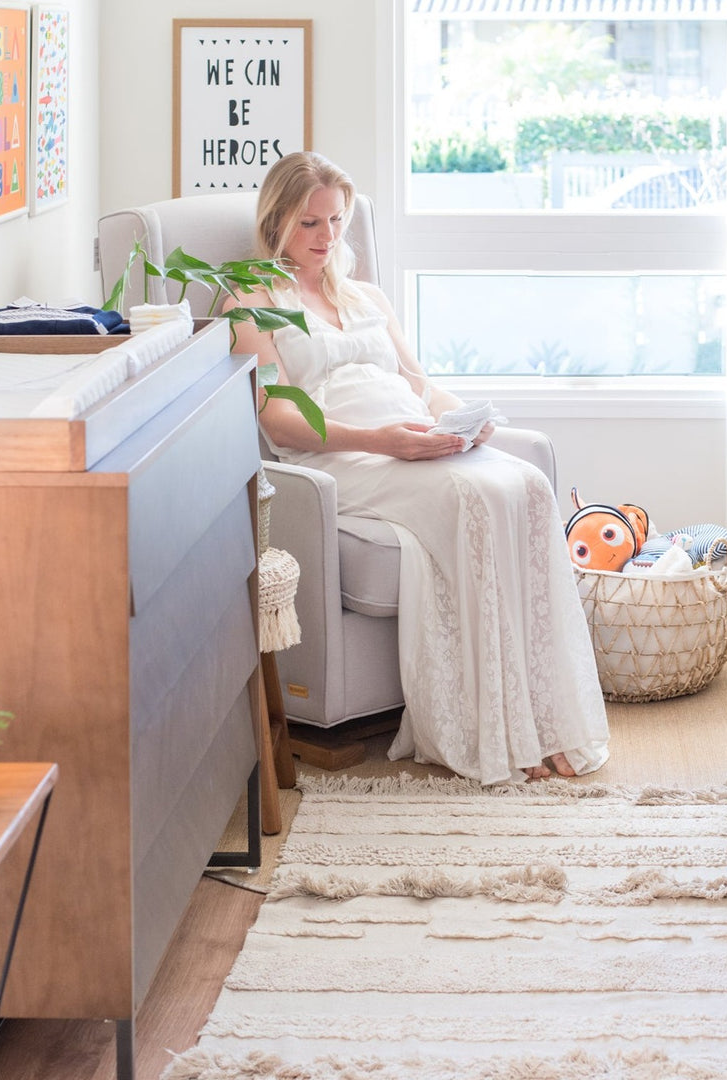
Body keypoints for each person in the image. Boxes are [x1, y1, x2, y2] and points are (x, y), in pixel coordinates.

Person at [227, 151, 610, 786]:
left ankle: (547, 719)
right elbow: (276, 419)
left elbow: (421, 385)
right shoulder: (254, 302)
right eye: (309, 224)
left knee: (530, 485)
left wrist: (466, 420)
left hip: (410, 436)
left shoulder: (367, 296)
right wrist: (383, 441)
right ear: (277, 222)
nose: (326, 239)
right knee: (472, 499)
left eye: (336, 222)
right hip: (344, 456)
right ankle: (500, 730)